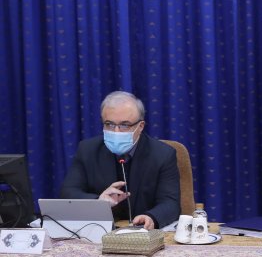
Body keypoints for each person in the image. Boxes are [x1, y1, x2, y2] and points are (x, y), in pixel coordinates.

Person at [60, 91, 180, 229]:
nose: (116, 132)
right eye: (109, 124)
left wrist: (151, 217)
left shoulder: (163, 154)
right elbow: (68, 193)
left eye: (124, 125)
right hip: (99, 232)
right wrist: (99, 202)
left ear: (140, 126)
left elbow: (171, 203)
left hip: (142, 232)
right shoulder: (87, 150)